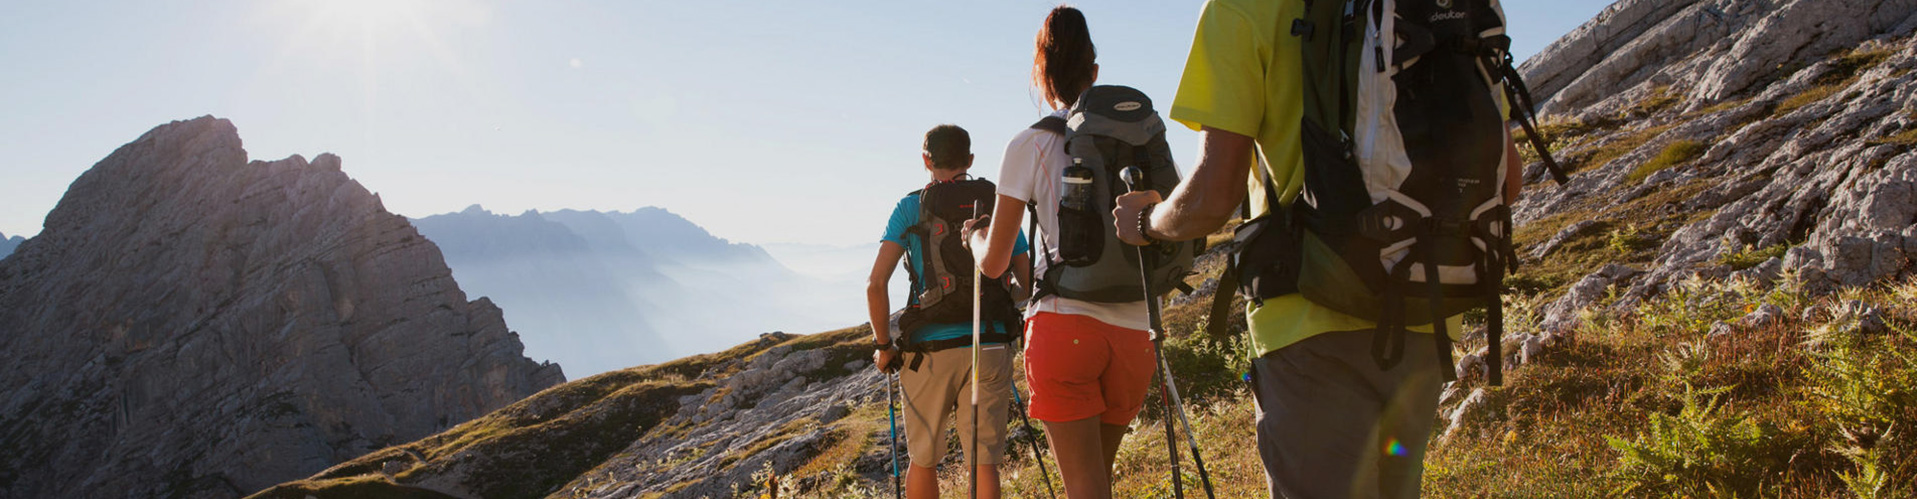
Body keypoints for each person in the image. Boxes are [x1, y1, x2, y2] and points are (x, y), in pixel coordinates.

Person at [1109, 1, 1525, 497]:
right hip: (1424, 304)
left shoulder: (1243, 8)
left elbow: (1212, 197)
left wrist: (1147, 221)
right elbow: (1510, 178)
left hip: (1309, 313)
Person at [963, 7, 1156, 499]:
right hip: (1136, 328)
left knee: (1085, 488)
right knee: (1097, 481)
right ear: (1095, 71)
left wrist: (973, 239)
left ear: (1041, 76)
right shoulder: (1137, 138)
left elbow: (995, 262)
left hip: (1065, 324)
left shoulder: (1029, 144)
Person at [868, 124, 1031, 499]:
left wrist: (884, 346)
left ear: (926, 160)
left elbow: (875, 284)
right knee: (983, 461)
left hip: (929, 351)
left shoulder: (910, 207)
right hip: (988, 343)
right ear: (970, 160)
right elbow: (1026, 283)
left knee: (923, 460)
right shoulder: (995, 204)